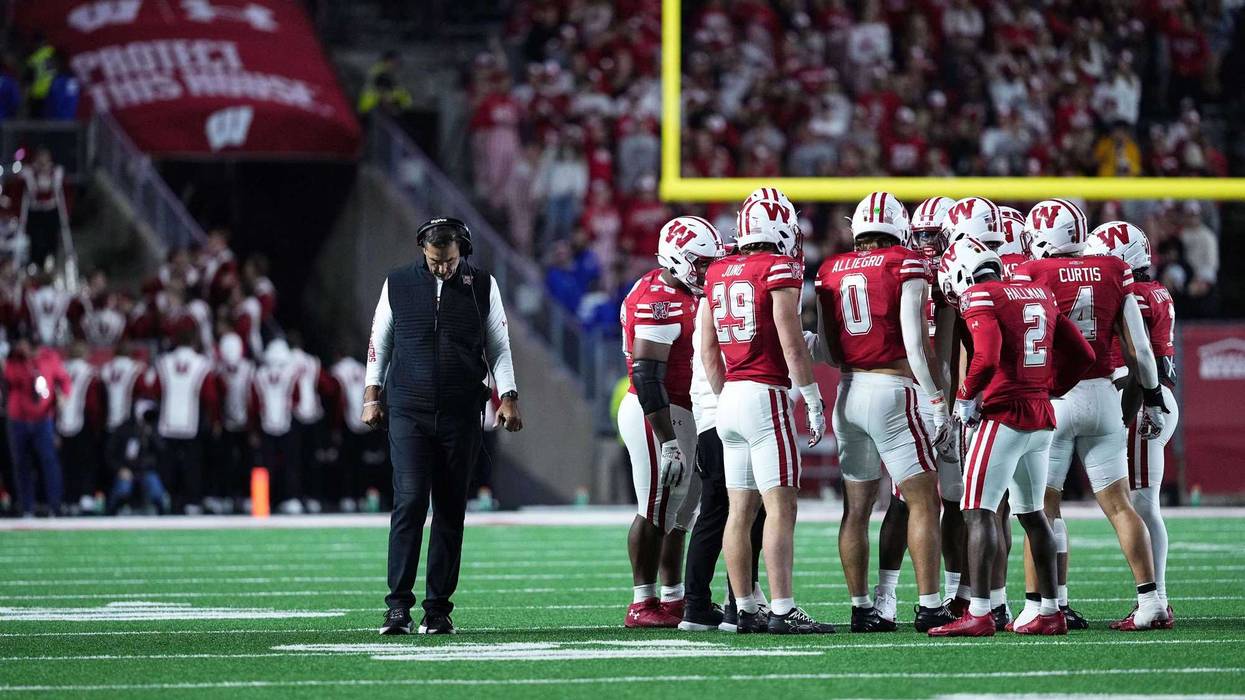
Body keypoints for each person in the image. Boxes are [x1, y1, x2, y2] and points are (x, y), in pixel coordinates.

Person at [1013, 199, 1170, 631]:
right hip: (1105, 395)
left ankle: (1046, 606)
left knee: (1042, 508)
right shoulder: (1112, 270)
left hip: (1055, 398)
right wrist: (1153, 396)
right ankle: (1152, 601)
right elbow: (1137, 345)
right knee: (1120, 505)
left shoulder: (1032, 272)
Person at [928, 238, 1095, 636]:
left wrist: (965, 399)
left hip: (1003, 415)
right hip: (1040, 415)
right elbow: (1084, 355)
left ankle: (981, 612)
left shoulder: (979, 294)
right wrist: (1051, 387)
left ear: (963, 272)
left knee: (977, 510)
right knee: (1033, 515)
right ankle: (1051, 610)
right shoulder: (1037, 291)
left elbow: (985, 355)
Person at [365, 217, 522, 635]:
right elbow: (380, 340)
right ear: (423, 250)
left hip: (461, 412)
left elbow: (499, 347)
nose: (442, 268)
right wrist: (371, 394)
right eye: (435, 260)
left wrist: (507, 397)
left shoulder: (483, 285)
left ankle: (438, 609)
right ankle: (397, 606)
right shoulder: (397, 283)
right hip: (408, 411)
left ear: (463, 251)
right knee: (410, 502)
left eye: (449, 260)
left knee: (451, 510)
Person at [815, 191, 954, 633]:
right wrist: (936, 399)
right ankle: (931, 604)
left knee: (856, 509)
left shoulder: (829, 270)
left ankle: (862, 609)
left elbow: (830, 350)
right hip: (893, 391)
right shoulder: (906, 263)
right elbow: (916, 343)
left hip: (848, 392)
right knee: (923, 501)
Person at [701, 187, 834, 634]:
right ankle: (781, 608)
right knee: (780, 507)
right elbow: (791, 340)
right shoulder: (777, 267)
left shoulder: (718, 271)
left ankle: (743, 607)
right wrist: (813, 400)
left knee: (740, 510)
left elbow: (708, 347)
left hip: (732, 398)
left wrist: (726, 394)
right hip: (765, 396)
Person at [617, 215, 723, 628]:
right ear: (676, 258)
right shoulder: (657, 297)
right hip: (657, 410)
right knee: (655, 508)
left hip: (687, 407)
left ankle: (673, 598)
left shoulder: (688, 290)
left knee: (681, 513)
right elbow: (646, 375)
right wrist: (667, 440)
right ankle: (642, 602)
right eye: (699, 262)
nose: (706, 271)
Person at [872, 194, 968, 628]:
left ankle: (954, 594)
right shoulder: (903, 266)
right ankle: (886, 594)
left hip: (937, 392)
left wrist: (950, 399)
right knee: (905, 499)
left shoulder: (953, 271)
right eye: (922, 233)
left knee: (953, 498)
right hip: (909, 392)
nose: (927, 243)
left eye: (935, 234)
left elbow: (950, 343)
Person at [1086, 221, 1179, 630]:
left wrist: (1125, 414)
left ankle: (1155, 600)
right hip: (1151, 398)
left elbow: (1145, 364)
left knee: (1142, 504)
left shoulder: (1136, 296)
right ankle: (1157, 598)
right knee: (1145, 504)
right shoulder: (1154, 289)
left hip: (1141, 399)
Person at [149, 327, 218, 515]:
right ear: (194, 342)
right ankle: (192, 500)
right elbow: (209, 396)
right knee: (192, 463)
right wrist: (212, 419)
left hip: (167, 420)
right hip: (192, 422)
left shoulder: (164, 362)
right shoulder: (202, 363)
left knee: (168, 463)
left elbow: (155, 390)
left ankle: (169, 498)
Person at [4, 336, 69, 517]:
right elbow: (10, 378)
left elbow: (63, 379)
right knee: (21, 464)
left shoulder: (49, 358)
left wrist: (64, 395)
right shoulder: (14, 360)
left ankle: (54, 506)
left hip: (43, 419)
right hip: (19, 418)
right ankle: (27, 507)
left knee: (49, 462)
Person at [105, 401, 168, 515]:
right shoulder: (123, 429)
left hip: (146, 470)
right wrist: (120, 469)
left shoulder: (153, 429)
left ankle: (162, 515)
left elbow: (162, 451)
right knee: (123, 487)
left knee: (156, 489)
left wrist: (151, 434)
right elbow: (110, 454)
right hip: (126, 469)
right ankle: (113, 511)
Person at [18, 148, 68, 271]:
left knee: (51, 237)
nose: (43, 162)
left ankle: (51, 261)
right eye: (40, 159)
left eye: (45, 159)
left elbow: (57, 186)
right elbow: (22, 174)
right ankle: (34, 263)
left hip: (51, 210)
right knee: (35, 238)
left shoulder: (55, 171)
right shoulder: (30, 171)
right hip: (35, 211)